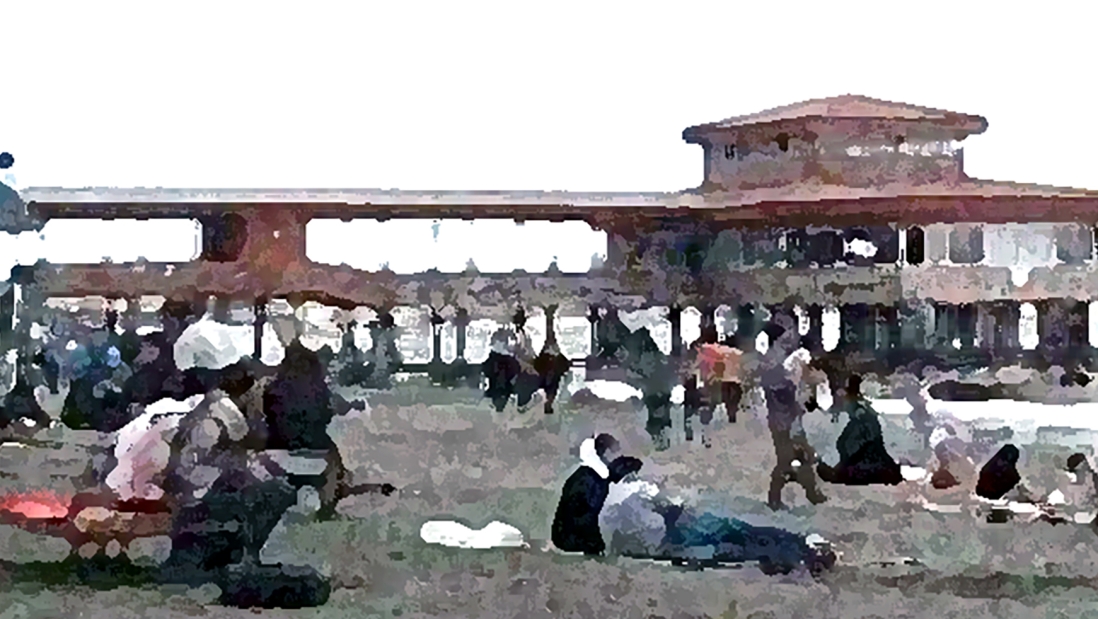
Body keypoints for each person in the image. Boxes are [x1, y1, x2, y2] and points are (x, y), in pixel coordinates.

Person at [753, 316, 828, 510]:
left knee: (801, 457)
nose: (787, 341)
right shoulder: (772, 365)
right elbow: (781, 391)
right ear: (775, 341)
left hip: (789, 419)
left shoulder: (778, 363)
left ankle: (810, 493)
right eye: (783, 339)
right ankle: (777, 498)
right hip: (782, 421)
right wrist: (794, 380)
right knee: (787, 459)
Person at [551, 434, 642, 556]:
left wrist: (635, 466)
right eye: (613, 454)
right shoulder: (588, 480)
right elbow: (582, 516)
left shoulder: (592, 475)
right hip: (571, 540)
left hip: (572, 538)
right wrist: (595, 544)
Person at [816, 375, 903, 486]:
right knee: (844, 444)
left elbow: (863, 415)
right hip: (862, 426)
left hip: (865, 427)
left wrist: (860, 415)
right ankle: (845, 470)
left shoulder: (859, 402)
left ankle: (849, 472)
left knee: (851, 446)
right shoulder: (854, 399)